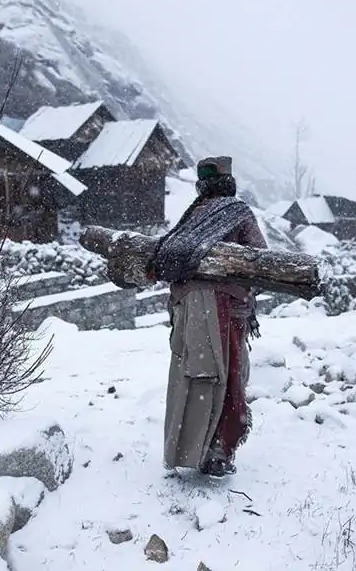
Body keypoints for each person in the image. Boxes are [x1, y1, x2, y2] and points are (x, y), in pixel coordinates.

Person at [148, 156, 267, 477]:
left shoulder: (193, 216)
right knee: (226, 378)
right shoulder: (238, 213)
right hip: (225, 310)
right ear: (229, 184)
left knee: (191, 376)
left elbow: (167, 260)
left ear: (203, 186)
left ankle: (188, 448)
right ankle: (217, 451)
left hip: (188, 311)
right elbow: (260, 258)